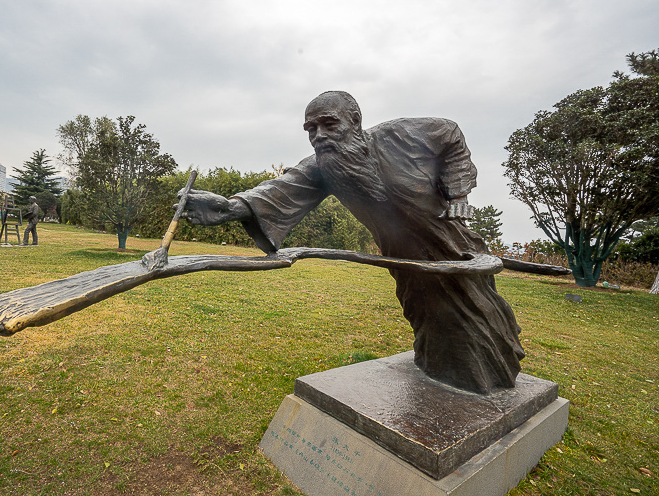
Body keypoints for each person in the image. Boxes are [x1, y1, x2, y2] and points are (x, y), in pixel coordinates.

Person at [180, 91, 524, 394]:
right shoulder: (322, 167)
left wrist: (458, 191)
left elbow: (451, 134)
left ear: (355, 121)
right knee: (428, 319)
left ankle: (484, 381)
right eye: (311, 129)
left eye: (329, 123)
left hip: (453, 245)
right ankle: (442, 372)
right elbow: (278, 190)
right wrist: (229, 208)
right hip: (403, 260)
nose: (319, 135)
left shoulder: (400, 134)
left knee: (478, 317)